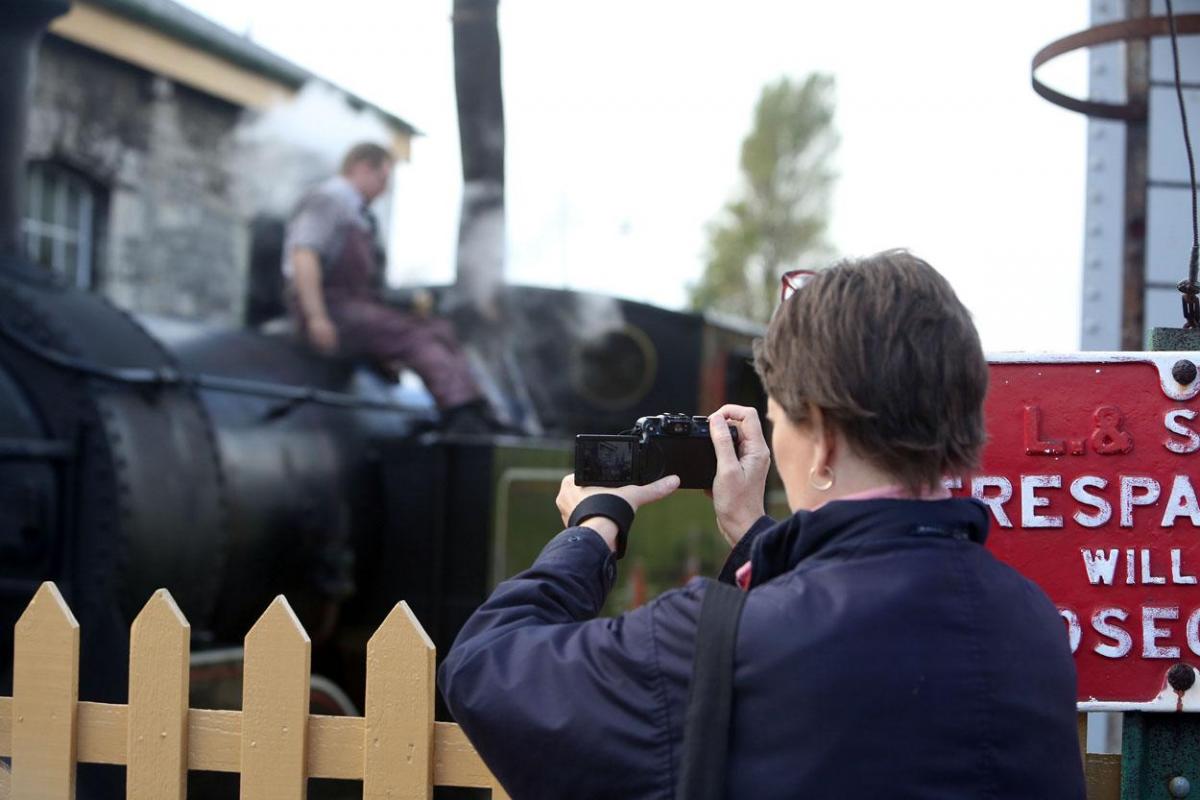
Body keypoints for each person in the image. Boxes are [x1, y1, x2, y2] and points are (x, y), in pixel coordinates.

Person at [437, 250, 1085, 799]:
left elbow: (486, 669)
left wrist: (595, 522)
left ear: (824, 441)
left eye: (779, 421)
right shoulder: (1028, 620)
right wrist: (754, 533)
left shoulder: (716, 643)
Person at [283, 142, 493, 432]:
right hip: (333, 310)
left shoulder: (358, 213)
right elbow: (303, 254)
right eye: (383, 179)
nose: (384, 190)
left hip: (352, 310)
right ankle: (461, 416)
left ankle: (473, 408)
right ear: (362, 168)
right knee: (417, 334)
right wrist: (317, 317)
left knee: (438, 329)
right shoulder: (330, 199)